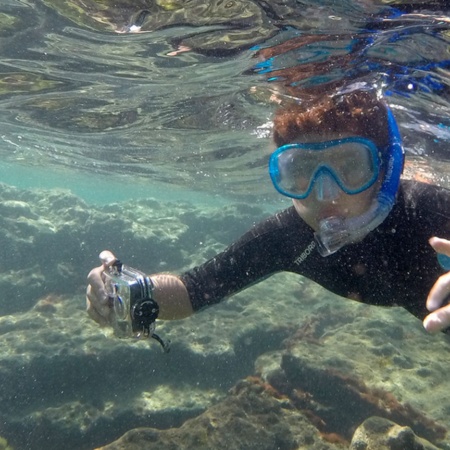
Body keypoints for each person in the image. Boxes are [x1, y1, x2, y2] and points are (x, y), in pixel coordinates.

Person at [87, 89, 450, 336]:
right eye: (301, 170)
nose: (326, 193)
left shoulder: (432, 211)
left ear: (387, 169)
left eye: (350, 165)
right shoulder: (288, 237)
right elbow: (193, 290)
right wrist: (131, 294)